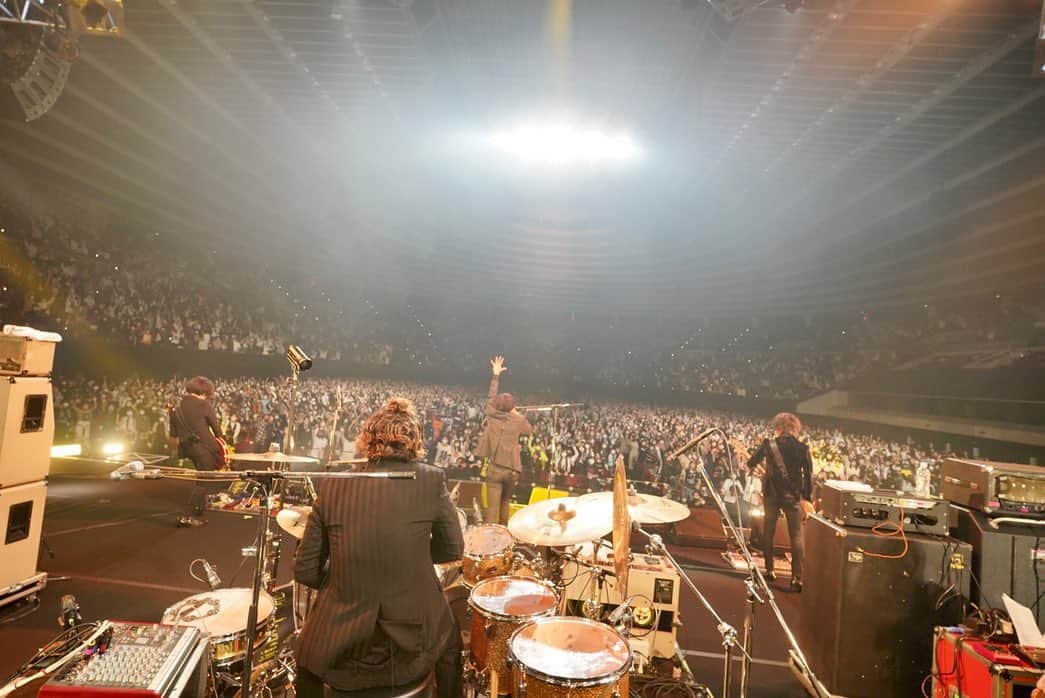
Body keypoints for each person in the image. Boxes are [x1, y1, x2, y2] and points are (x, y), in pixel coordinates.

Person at [293, 397, 464, 698]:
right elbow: (452, 550)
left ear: (366, 441)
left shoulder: (332, 484)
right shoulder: (431, 479)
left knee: (305, 661)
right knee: (450, 643)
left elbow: (305, 571)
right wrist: (411, 557)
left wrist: (346, 574)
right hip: (412, 645)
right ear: (414, 442)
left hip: (339, 646)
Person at [746, 412, 814, 592]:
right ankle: (797, 578)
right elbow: (808, 476)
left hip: (772, 495)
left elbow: (751, 461)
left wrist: (757, 468)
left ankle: (769, 570)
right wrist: (807, 497)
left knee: (769, 532)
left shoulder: (769, 444)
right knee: (796, 536)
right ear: (795, 428)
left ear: (777, 427)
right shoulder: (803, 448)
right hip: (793, 496)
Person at [476, 355, 533, 525]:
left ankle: (492, 538)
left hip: (495, 468)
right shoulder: (518, 420)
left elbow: (490, 396)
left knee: (492, 509)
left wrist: (495, 375)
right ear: (513, 406)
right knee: (505, 503)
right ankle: (504, 534)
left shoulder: (491, 413)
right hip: (512, 469)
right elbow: (529, 431)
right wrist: (517, 414)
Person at [169, 376, 226, 527]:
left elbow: (173, 433)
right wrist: (222, 439)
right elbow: (215, 427)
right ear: (204, 392)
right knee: (204, 479)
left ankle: (199, 507)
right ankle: (186, 516)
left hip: (187, 448)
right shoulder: (203, 404)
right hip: (204, 447)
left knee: (202, 476)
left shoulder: (175, 406)